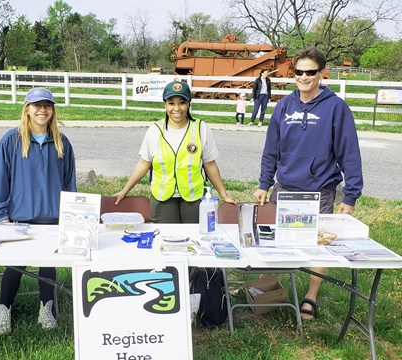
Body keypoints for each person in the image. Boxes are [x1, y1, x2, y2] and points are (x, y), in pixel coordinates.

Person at [252, 47, 363, 320]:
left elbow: (349, 152)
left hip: (320, 190)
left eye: (310, 72)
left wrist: (350, 197)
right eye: (299, 72)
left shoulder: (336, 108)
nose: (304, 77)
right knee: (276, 241)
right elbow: (271, 150)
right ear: (294, 74)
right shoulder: (284, 107)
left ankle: (310, 297)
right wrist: (265, 184)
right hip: (285, 187)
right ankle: (266, 290)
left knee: (316, 245)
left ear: (321, 74)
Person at [0, 87, 76, 335]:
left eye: (47, 105)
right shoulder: (11, 140)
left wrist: (70, 214)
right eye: (37, 105)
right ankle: (4, 310)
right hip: (19, 218)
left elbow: (69, 181)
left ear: (52, 110)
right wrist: (1, 215)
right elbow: (0, 179)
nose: (42, 110)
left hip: (52, 217)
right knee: (14, 266)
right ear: (27, 109)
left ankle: (45, 308)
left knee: (48, 265)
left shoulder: (61, 141)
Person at [114, 81, 235, 223]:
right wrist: (125, 190)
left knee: (194, 238)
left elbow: (210, 164)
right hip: (162, 197)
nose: (176, 108)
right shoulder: (155, 130)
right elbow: (144, 163)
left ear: (189, 104)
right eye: (171, 103)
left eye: (182, 102)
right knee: (165, 240)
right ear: (165, 104)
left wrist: (223, 194)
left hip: (193, 196)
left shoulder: (201, 128)